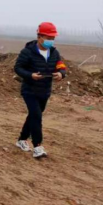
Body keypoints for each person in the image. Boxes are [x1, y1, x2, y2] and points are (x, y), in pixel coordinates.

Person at [14, 22, 68, 159]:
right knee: (37, 116)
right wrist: (30, 75)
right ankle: (37, 146)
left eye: (53, 38)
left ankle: (21, 139)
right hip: (29, 91)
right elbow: (18, 68)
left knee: (33, 116)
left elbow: (61, 66)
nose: (51, 41)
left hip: (44, 91)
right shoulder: (27, 52)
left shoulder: (54, 53)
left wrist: (61, 74)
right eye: (48, 38)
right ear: (39, 37)